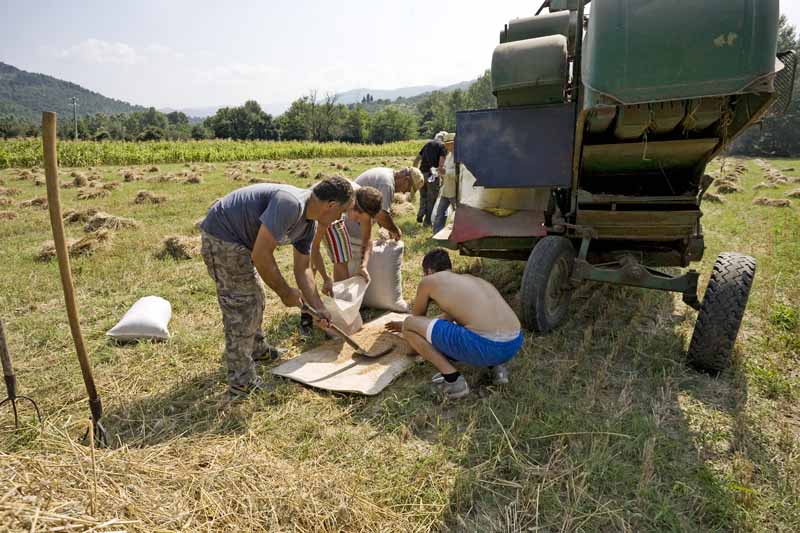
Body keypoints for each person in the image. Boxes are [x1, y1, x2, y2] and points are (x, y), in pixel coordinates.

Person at [199, 177, 353, 400]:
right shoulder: (290, 204)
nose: (341, 218)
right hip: (223, 236)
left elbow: (303, 269)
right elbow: (261, 255)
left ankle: (257, 349)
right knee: (243, 306)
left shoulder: (308, 225)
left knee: (256, 297)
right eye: (342, 211)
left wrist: (318, 308)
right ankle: (241, 382)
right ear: (331, 205)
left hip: (243, 242)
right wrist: (285, 292)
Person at [386, 248, 523, 399]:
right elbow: (446, 320)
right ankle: (498, 369)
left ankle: (453, 381)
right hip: (513, 344)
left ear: (429, 270)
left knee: (409, 323)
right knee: (476, 326)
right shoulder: (470, 280)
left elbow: (414, 321)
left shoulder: (428, 281)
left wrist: (409, 338)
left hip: (486, 345)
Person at [300, 167, 423, 332]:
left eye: (362, 219)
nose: (357, 222)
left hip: (336, 205)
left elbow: (367, 240)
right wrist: (325, 277)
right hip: (314, 207)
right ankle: (308, 311)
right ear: (353, 208)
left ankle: (342, 309)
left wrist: (363, 266)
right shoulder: (327, 212)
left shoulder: (363, 204)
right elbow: (313, 250)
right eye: (357, 218)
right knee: (307, 265)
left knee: (342, 257)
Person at [414, 132, 448, 227]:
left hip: (421, 175)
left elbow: (417, 159)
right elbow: (441, 165)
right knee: (431, 199)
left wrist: (414, 173)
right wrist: (443, 179)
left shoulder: (427, 144)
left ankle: (420, 213)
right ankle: (427, 222)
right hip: (433, 176)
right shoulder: (442, 146)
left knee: (423, 196)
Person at [432, 133, 457, 234]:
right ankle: (437, 233)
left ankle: (458, 234)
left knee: (458, 214)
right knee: (440, 213)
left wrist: (445, 172)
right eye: (445, 144)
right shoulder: (449, 155)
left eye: (448, 144)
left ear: (454, 144)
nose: (445, 146)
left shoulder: (459, 156)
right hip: (446, 189)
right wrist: (440, 171)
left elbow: (459, 173)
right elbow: (446, 170)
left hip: (455, 191)